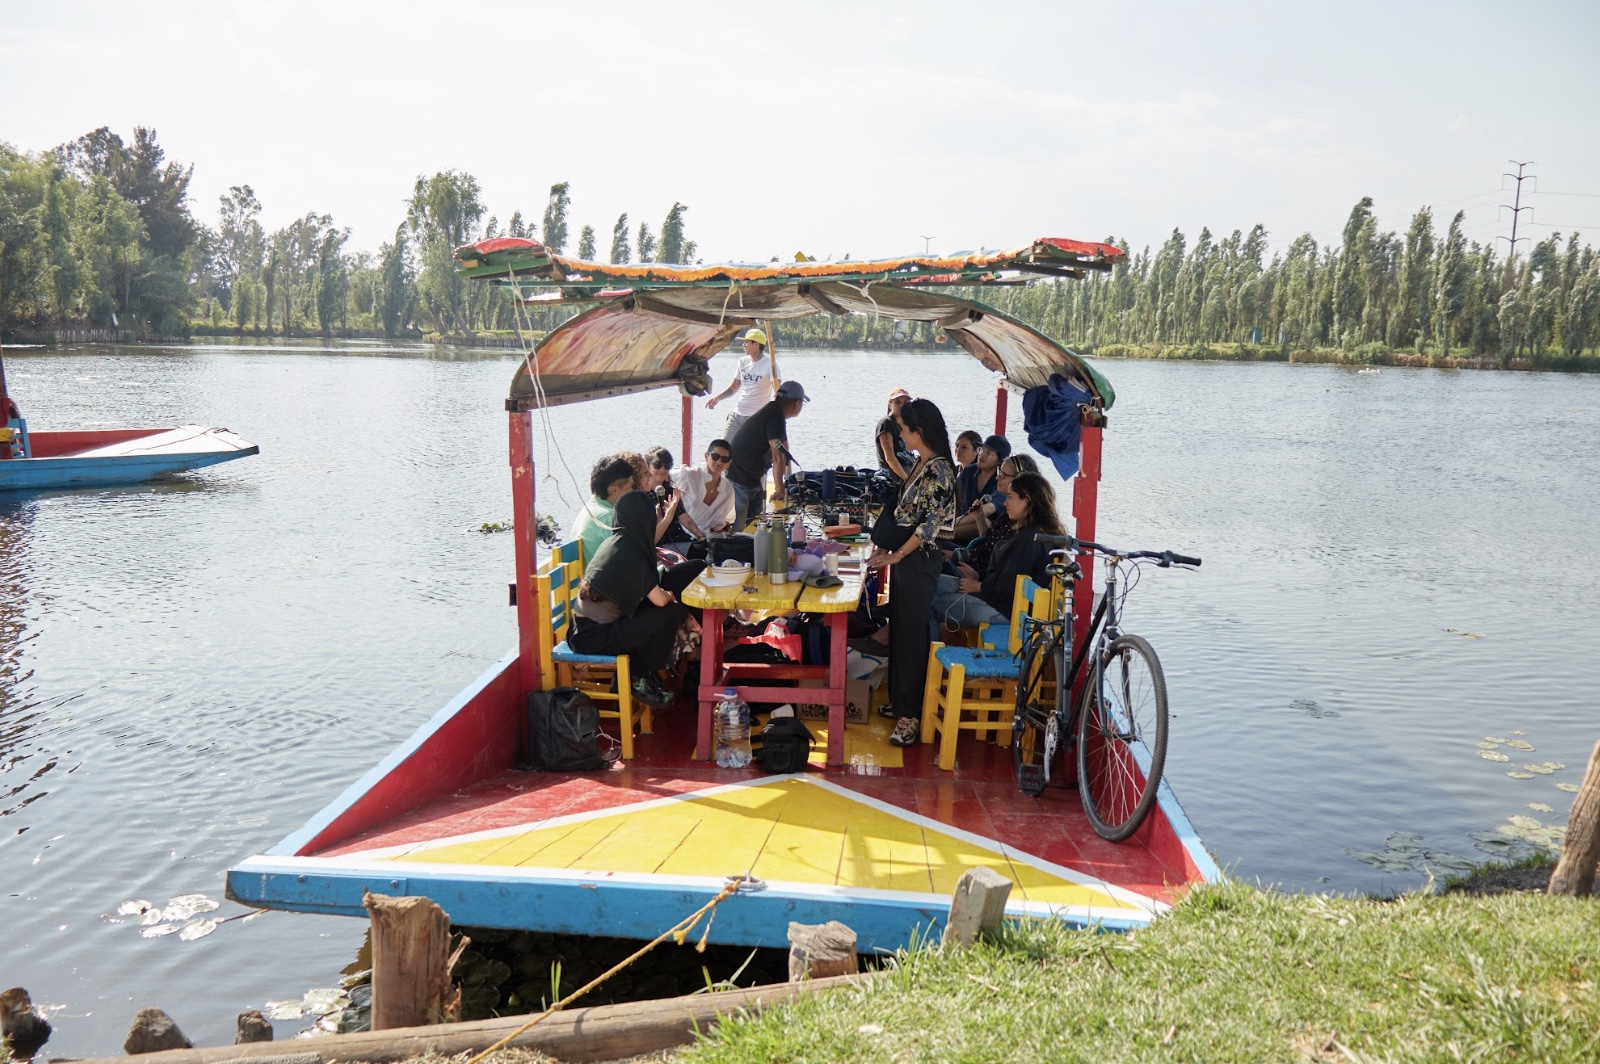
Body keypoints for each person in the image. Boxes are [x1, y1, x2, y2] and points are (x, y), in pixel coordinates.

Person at [864, 397, 956, 748]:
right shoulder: (923, 464)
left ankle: (910, 716)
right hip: (905, 558)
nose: (900, 435)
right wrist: (888, 551)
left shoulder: (941, 470)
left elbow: (929, 526)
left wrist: (897, 555)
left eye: (903, 429)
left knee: (913, 635)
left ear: (919, 430)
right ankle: (901, 701)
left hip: (919, 559)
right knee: (900, 629)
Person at [567, 491, 696, 708]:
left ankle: (643, 671)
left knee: (665, 607)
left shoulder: (620, 541)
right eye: (652, 513)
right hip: (592, 637)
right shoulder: (631, 551)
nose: (655, 517)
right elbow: (660, 601)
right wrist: (669, 596)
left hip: (584, 630)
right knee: (668, 612)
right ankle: (637, 676)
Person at [932, 471, 1064, 635]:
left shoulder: (1030, 540)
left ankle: (919, 657)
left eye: (1010, 497)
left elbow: (1009, 589)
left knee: (926, 601)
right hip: (994, 597)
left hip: (1004, 612)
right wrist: (977, 576)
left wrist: (979, 586)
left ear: (1026, 501)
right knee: (927, 584)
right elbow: (1006, 575)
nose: (1006, 503)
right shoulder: (1025, 531)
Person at [727, 380, 809, 529]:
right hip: (739, 479)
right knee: (740, 531)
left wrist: (787, 483)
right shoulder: (773, 416)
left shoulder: (774, 413)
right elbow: (778, 457)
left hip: (752, 478)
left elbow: (785, 451)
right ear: (797, 403)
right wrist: (779, 490)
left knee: (756, 526)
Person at [959, 453, 1040, 575]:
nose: (997, 478)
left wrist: (977, 579)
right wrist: (980, 517)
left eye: (1003, 475)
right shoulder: (1009, 512)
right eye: (999, 472)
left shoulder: (1022, 522)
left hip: (982, 578)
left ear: (1020, 479)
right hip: (977, 569)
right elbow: (988, 542)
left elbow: (995, 559)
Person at [567, 454, 639, 570]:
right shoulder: (608, 517)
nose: (632, 491)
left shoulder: (591, 508)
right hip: (607, 586)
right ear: (614, 490)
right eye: (630, 486)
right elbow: (631, 561)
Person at [705, 328, 776, 439]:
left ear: (756, 344)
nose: (743, 345)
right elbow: (735, 386)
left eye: (746, 342)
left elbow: (777, 389)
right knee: (723, 446)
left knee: (746, 452)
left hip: (755, 418)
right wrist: (717, 398)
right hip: (738, 414)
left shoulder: (770, 365)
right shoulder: (743, 361)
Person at [668, 438, 737, 548]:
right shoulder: (688, 475)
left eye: (724, 459)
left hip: (706, 539)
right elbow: (664, 476)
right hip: (680, 536)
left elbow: (723, 521)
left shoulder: (728, 490)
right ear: (706, 456)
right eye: (715, 457)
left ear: (729, 463)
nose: (719, 462)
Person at [952, 434, 1009, 540]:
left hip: (984, 538)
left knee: (985, 521)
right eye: (981, 450)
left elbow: (986, 510)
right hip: (958, 529)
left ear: (999, 461)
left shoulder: (1001, 481)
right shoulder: (968, 471)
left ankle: (942, 534)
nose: (981, 456)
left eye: (988, 453)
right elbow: (952, 498)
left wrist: (950, 525)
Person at [642, 446, 687, 545]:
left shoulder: (670, 491)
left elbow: (683, 516)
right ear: (647, 466)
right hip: (657, 545)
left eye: (667, 465)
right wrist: (667, 516)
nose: (663, 469)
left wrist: (700, 535)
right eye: (657, 465)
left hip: (677, 539)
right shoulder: (640, 496)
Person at [875, 388, 914, 481]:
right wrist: (907, 480)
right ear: (890, 404)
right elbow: (890, 458)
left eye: (905, 402)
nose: (901, 405)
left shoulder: (907, 424)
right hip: (893, 476)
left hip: (908, 470)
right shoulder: (886, 423)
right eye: (897, 402)